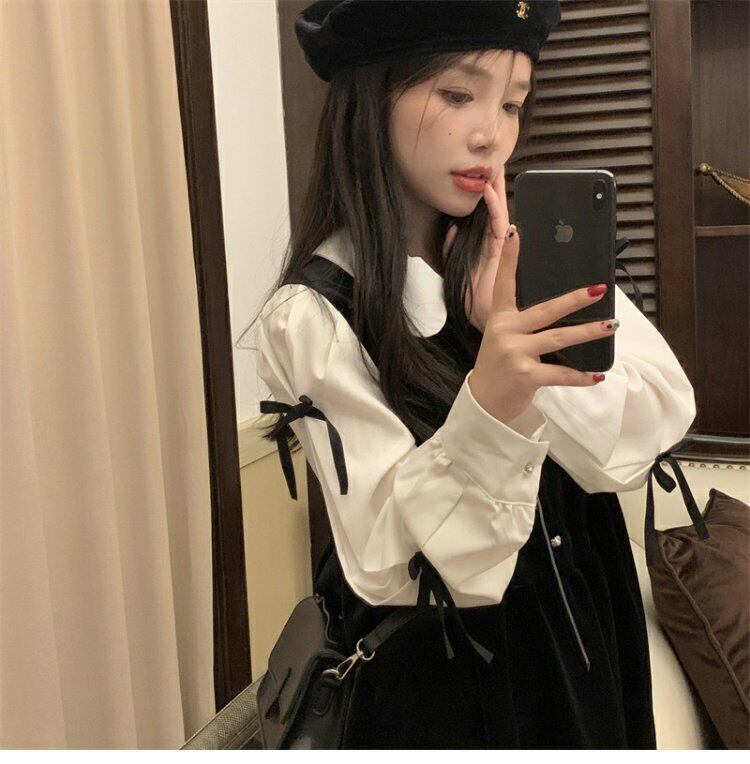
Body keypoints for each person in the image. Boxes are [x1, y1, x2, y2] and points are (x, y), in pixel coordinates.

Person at [241, 0, 696, 749]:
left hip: (585, 636)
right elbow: (392, 565)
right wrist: (492, 401)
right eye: (458, 94)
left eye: (513, 103)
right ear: (372, 100)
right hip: (446, 684)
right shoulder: (317, 312)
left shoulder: (528, 254)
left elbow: (644, 434)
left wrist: (514, 330)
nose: (493, 134)